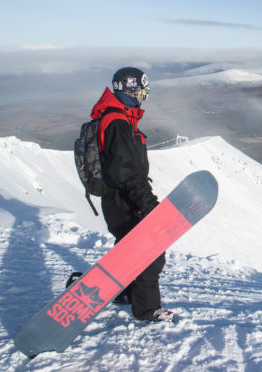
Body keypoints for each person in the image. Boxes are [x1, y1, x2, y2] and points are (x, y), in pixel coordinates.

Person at [89, 67, 174, 322]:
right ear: (133, 88)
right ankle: (147, 310)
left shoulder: (118, 117)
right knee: (151, 251)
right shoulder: (116, 121)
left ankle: (123, 292)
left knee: (128, 247)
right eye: (142, 90)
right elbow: (125, 171)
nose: (143, 95)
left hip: (118, 198)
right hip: (123, 198)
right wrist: (148, 203)